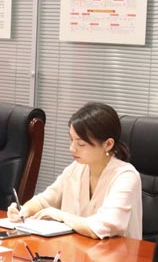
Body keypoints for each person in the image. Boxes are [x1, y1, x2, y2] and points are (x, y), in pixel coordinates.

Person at [7, 101, 141, 239]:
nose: (72, 148)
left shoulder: (126, 176)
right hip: (79, 248)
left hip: (116, 251)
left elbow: (103, 226)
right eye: (71, 140)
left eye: (81, 144)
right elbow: (44, 200)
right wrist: (24, 210)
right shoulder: (77, 168)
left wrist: (60, 215)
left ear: (108, 144)